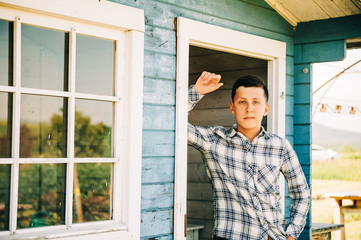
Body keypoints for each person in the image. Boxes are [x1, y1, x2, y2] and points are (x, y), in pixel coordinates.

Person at [187, 71, 311, 240]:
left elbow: (302, 192)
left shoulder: (280, 146)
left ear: (266, 109)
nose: (249, 108)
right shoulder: (213, 140)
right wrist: (197, 91)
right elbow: (175, 122)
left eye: (256, 102)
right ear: (232, 107)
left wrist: (291, 234)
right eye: (242, 102)